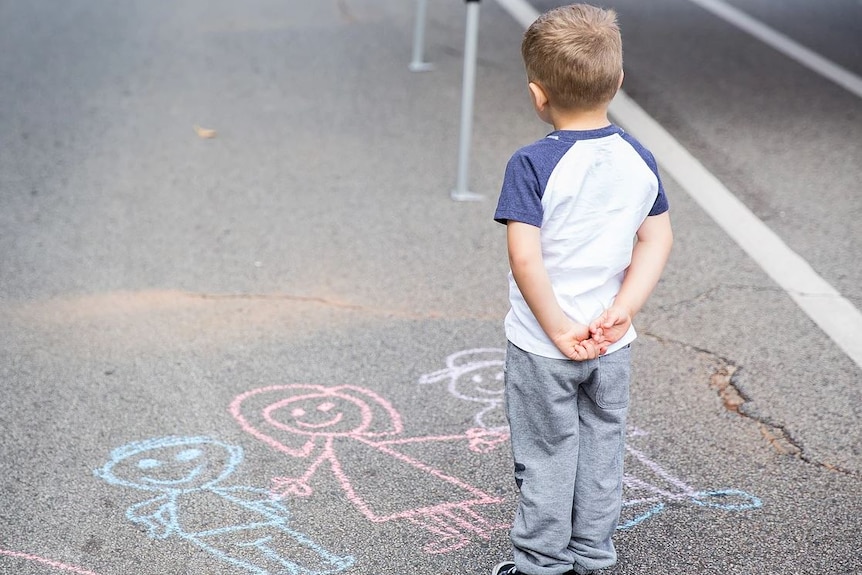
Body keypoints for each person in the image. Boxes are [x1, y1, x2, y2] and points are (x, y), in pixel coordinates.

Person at [491, 4, 674, 575]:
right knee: (602, 448)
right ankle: (593, 556)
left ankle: (542, 563)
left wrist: (557, 328)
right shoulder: (638, 157)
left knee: (547, 455)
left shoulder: (532, 164)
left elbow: (525, 257)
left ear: (537, 94)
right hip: (611, 342)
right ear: (618, 82)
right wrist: (622, 310)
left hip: (546, 345)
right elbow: (657, 239)